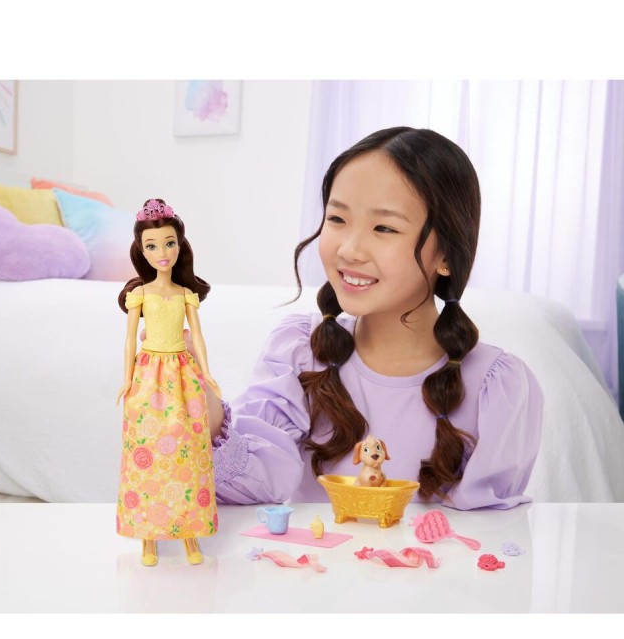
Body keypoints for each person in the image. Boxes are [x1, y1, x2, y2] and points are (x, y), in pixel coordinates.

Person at [204, 126, 543, 510]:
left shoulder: (495, 387)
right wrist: (210, 420)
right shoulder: (298, 353)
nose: (349, 250)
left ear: (447, 255)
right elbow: (258, 486)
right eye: (337, 219)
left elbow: (488, 530)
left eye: (384, 227)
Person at [116, 198, 220, 566]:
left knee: (187, 452)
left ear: (180, 245)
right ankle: (148, 537)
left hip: (183, 373)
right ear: (142, 251)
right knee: (146, 455)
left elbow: (199, 336)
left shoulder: (185, 294)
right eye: (152, 246)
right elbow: (130, 340)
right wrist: (126, 379)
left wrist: (207, 372)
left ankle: (190, 534)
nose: (162, 253)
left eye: (169, 243)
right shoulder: (140, 295)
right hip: (148, 375)